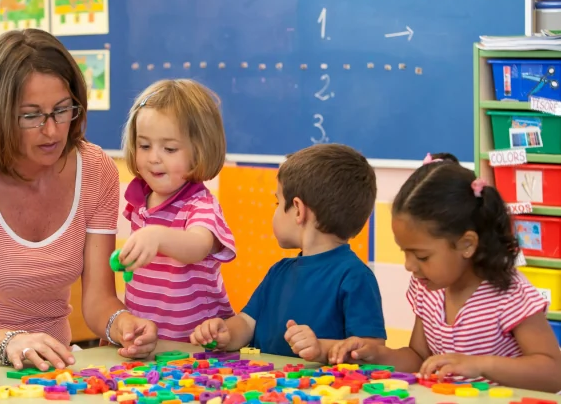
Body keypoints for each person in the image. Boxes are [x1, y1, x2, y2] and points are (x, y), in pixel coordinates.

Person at [0, 29, 158, 371]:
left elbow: (97, 301)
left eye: (63, 110)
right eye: (32, 115)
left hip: (59, 368)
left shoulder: (95, 170)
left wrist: (122, 324)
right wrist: (8, 342)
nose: (53, 130)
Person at [330, 153, 561, 393]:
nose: (409, 265)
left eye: (421, 256)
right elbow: (419, 357)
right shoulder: (427, 288)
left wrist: (480, 365)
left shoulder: (510, 293)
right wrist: (377, 355)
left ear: (466, 244)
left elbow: (553, 373)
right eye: (404, 252)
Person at [191, 144, 386, 361]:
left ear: (298, 210)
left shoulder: (356, 277)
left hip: (319, 393)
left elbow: (371, 350)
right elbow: (247, 323)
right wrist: (225, 332)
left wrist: (321, 347)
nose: (275, 209)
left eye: (277, 201)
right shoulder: (279, 272)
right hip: (263, 390)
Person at [118, 79, 236, 341]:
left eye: (169, 148)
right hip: (151, 341)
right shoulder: (139, 201)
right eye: (144, 145)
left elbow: (197, 246)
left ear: (199, 152)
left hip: (197, 344)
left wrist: (157, 236)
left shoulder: (200, 205)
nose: (153, 158)